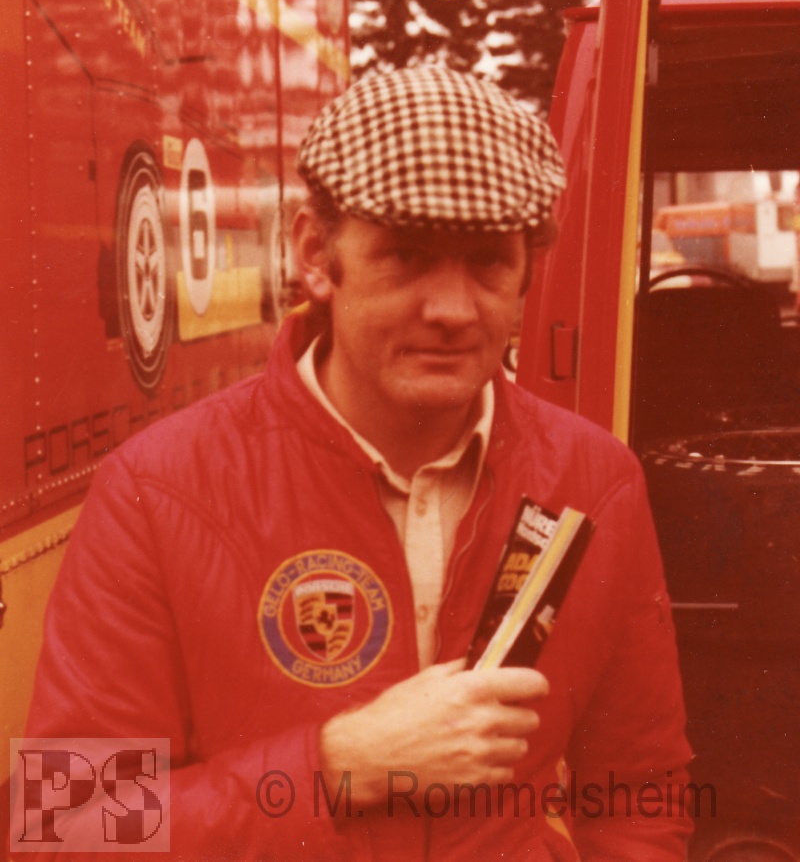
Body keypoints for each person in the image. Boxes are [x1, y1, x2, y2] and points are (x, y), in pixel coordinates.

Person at [22, 65, 692, 860]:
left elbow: (640, 796)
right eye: (406, 256)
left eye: (488, 262)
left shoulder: (595, 481)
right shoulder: (156, 491)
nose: (452, 310)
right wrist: (336, 767)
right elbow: (70, 825)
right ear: (316, 252)